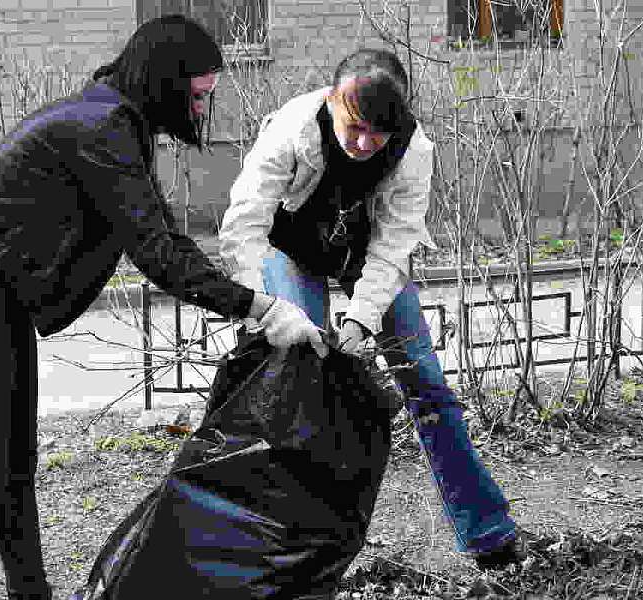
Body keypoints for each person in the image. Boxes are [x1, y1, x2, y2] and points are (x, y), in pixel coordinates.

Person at [0, 15, 326, 600]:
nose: (202, 109)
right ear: (167, 81)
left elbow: (164, 235)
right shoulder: (103, 128)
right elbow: (159, 256)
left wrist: (258, 302)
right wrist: (262, 309)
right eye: (199, 94)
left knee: (13, 471)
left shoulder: (117, 122)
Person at [218, 48, 523, 568]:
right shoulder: (291, 130)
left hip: (370, 260)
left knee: (425, 383)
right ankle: (299, 551)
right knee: (301, 383)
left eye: (377, 133)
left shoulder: (413, 150)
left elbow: (393, 246)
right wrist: (261, 307)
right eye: (353, 127)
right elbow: (244, 226)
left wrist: (362, 317)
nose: (363, 144)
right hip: (291, 254)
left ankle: (489, 536)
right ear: (332, 101)